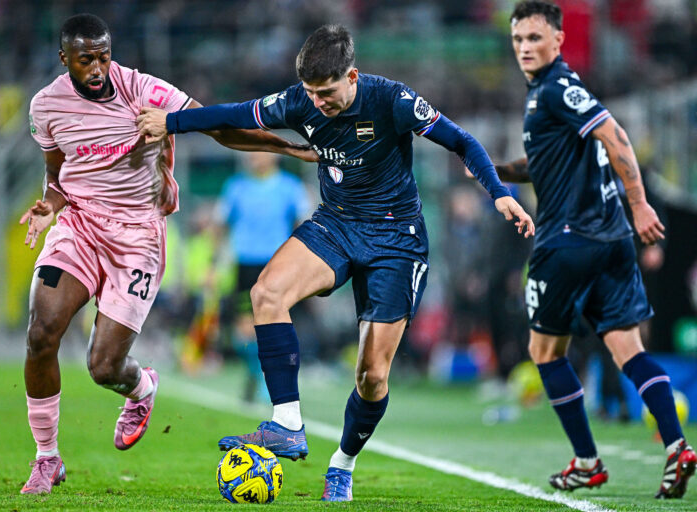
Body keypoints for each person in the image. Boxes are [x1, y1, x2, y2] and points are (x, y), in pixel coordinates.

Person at [137, 24, 534, 502]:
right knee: (266, 293)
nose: (318, 103)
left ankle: (342, 463)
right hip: (337, 224)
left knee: (372, 376)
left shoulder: (394, 100)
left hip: (396, 240)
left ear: (352, 75)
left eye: (327, 93)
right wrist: (172, 121)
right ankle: (287, 423)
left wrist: (499, 196)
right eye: (311, 93)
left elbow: (464, 142)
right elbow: (232, 116)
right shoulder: (299, 101)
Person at [19, 13, 315, 495]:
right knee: (41, 332)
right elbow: (56, 169)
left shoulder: (144, 91)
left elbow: (218, 125)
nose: (97, 68)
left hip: (137, 234)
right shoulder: (46, 105)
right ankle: (47, 458)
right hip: (79, 225)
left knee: (103, 368)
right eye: (85, 59)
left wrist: (287, 149)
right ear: (64, 58)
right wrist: (49, 203)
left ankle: (140, 389)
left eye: (103, 56)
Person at [497, 1, 695, 498]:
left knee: (544, 351)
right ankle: (677, 448)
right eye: (519, 39)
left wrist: (642, 204)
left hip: (569, 238)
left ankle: (587, 460)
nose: (525, 48)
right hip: (610, 241)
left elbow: (614, 132)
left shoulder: (558, 86)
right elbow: (544, 163)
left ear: (559, 41)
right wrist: (496, 170)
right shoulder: (547, 95)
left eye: (535, 38)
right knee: (629, 348)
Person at [218, 151, 310, 402]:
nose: (254, 155)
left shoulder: (290, 187)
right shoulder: (235, 187)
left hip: (277, 263)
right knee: (244, 330)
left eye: (260, 150)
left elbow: (304, 223)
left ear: (274, 155)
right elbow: (222, 225)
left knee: (275, 324)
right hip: (245, 263)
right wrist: (213, 264)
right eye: (252, 150)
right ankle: (256, 372)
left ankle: (272, 378)